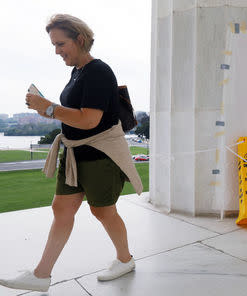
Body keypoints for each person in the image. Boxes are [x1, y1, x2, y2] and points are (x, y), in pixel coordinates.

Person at [0, 14, 143, 293]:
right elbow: (76, 116)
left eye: (60, 43)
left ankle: (125, 260)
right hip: (75, 155)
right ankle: (41, 276)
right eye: (53, 45)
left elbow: (89, 120)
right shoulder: (77, 71)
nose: (56, 51)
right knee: (61, 209)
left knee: (103, 212)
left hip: (101, 157)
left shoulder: (99, 71)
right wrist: (48, 109)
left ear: (79, 39)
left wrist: (50, 107)